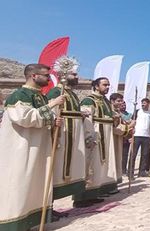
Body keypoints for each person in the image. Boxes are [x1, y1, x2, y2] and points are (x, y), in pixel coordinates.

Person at [0, 64, 63, 229]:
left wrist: (54, 120)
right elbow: (24, 118)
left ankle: (29, 222)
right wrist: (52, 105)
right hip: (21, 149)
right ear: (34, 76)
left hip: (38, 148)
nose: (49, 79)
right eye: (46, 75)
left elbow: (42, 117)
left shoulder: (40, 96)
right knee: (20, 185)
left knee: (34, 186)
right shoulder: (20, 95)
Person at [46, 59, 88, 207]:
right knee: (56, 169)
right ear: (64, 74)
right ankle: (49, 205)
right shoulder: (56, 92)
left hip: (74, 137)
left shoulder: (73, 94)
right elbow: (52, 112)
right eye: (74, 74)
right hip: (62, 136)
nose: (77, 77)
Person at [73, 77, 118, 207]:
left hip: (106, 135)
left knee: (99, 166)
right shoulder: (89, 100)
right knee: (90, 165)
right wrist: (89, 137)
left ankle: (93, 194)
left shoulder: (105, 101)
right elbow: (87, 120)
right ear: (96, 86)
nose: (108, 87)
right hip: (95, 135)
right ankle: (81, 198)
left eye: (109, 85)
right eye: (105, 84)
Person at [110, 93, 135, 185]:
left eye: (122, 101)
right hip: (111, 140)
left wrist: (130, 130)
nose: (121, 103)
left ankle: (114, 183)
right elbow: (114, 128)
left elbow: (122, 125)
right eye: (119, 101)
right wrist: (129, 127)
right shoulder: (111, 112)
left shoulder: (117, 112)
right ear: (112, 101)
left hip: (118, 139)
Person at [131, 98, 150, 177]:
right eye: (142, 103)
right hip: (137, 135)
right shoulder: (137, 112)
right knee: (133, 154)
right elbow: (132, 122)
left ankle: (142, 171)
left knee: (144, 155)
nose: (143, 104)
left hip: (146, 136)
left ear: (148, 104)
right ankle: (130, 172)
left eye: (144, 103)